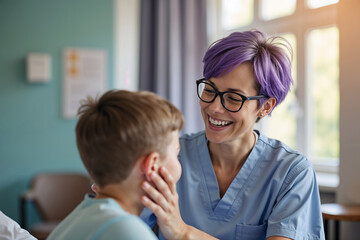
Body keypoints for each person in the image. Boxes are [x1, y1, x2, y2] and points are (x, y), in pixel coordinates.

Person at [140, 30, 325, 240]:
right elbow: (126, 226)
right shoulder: (171, 155)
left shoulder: (291, 173)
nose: (215, 107)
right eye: (209, 90)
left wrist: (183, 232)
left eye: (233, 98)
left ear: (265, 106)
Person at [47, 90, 184, 240]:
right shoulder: (128, 231)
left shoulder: (75, 219)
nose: (179, 164)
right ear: (152, 166)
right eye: (177, 155)